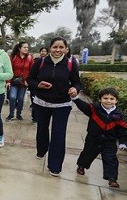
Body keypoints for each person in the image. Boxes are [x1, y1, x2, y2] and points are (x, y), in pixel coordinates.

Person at [27, 36, 81, 177]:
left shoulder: (70, 64)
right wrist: (38, 85)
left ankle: (55, 166)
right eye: (55, 47)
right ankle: (41, 150)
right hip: (42, 103)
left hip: (62, 104)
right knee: (42, 129)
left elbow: (77, 82)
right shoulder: (41, 62)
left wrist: (75, 89)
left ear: (66, 49)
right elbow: (30, 79)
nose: (58, 50)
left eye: (61, 47)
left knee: (58, 134)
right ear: (50, 48)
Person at [69, 87, 127, 188]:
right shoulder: (94, 109)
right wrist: (75, 98)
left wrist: (123, 142)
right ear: (100, 99)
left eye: (112, 99)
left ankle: (112, 178)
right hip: (93, 138)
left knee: (111, 158)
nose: (108, 101)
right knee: (88, 153)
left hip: (109, 141)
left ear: (116, 100)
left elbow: (122, 131)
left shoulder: (119, 115)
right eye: (105, 98)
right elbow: (84, 106)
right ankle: (82, 166)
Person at [6, 42, 33, 121]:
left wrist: (28, 80)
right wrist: (8, 81)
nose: (26, 49)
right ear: (19, 48)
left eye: (27, 47)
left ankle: (18, 114)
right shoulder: (13, 57)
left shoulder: (29, 57)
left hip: (23, 83)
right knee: (12, 97)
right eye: (24, 47)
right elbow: (9, 69)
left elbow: (32, 70)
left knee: (21, 99)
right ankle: (11, 114)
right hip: (13, 81)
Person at [30, 47, 48, 123]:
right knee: (34, 101)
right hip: (36, 84)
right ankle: (34, 117)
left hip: (45, 85)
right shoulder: (36, 61)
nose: (43, 52)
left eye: (45, 51)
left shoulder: (49, 62)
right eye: (42, 51)